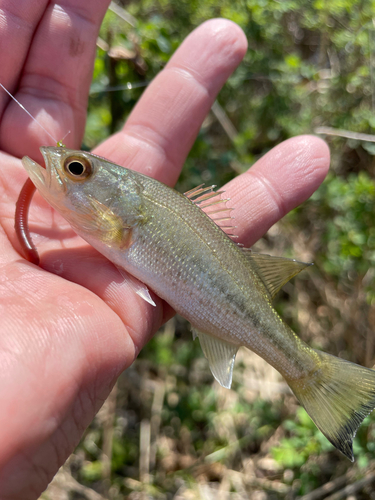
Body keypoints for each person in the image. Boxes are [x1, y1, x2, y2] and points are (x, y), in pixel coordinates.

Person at [0, 1, 330, 498]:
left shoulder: (119, 224)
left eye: (76, 170)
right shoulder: (111, 225)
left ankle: (311, 372)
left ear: (116, 206)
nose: (57, 165)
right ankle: (309, 372)